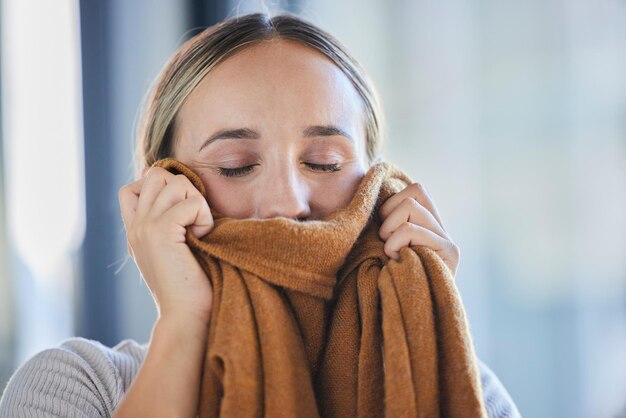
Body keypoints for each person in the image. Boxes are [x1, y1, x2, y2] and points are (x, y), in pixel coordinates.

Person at [0, 12, 521, 417]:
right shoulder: (77, 387)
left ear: (381, 191)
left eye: (324, 162)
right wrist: (184, 323)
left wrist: (426, 320)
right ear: (165, 191)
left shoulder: (473, 393)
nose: (286, 204)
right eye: (236, 166)